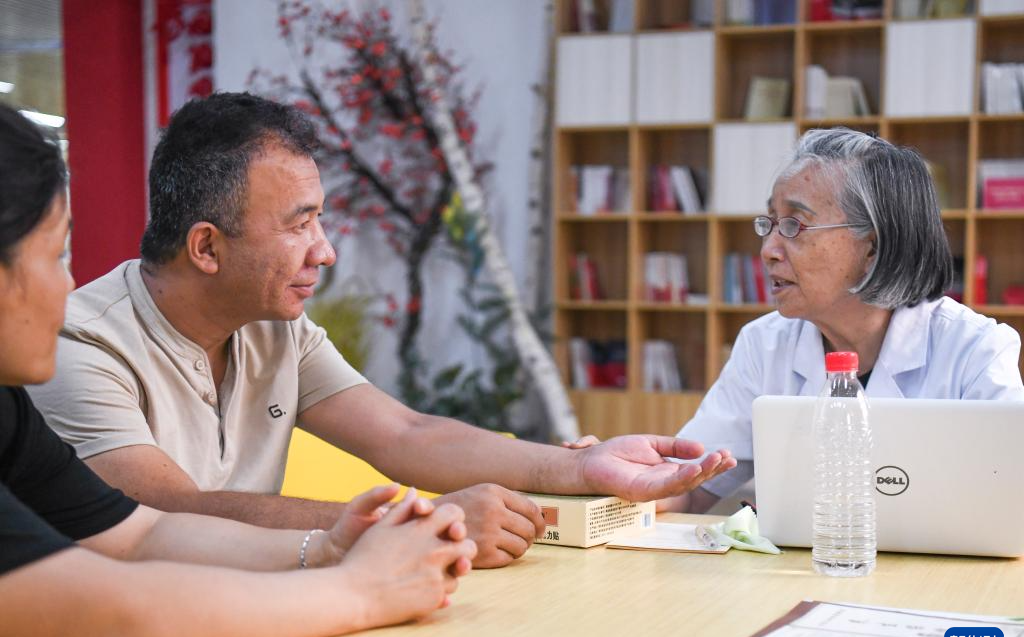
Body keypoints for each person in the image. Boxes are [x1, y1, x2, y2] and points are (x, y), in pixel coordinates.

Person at [28, 92, 736, 568]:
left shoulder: (275, 328)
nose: (326, 251)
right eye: (299, 224)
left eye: (321, 219)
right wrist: (411, 521)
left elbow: (406, 434)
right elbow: (167, 511)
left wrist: (579, 466)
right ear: (207, 247)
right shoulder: (79, 344)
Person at [0, 103, 478, 637]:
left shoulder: (7, 412)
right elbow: (104, 623)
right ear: (205, 247)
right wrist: (362, 590)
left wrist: (330, 547)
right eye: (55, 255)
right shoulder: (84, 340)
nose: (69, 284)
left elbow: (142, 533)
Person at [661, 127, 1024, 512]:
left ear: (873, 247)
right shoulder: (764, 345)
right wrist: (626, 480)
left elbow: (1010, 499)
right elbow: (687, 487)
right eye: (770, 223)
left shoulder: (974, 350)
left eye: (794, 226)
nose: (768, 250)